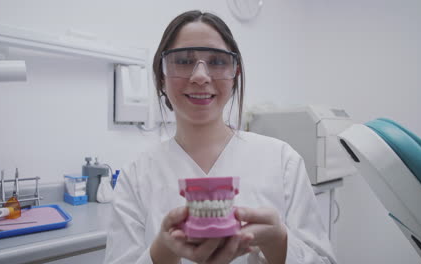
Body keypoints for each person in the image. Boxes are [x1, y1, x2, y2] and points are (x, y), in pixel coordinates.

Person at [104, 10, 337, 264]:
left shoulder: (283, 161)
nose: (201, 76)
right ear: (161, 77)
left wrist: (279, 242)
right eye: (183, 60)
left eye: (217, 61)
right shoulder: (136, 177)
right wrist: (162, 251)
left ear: (235, 75)